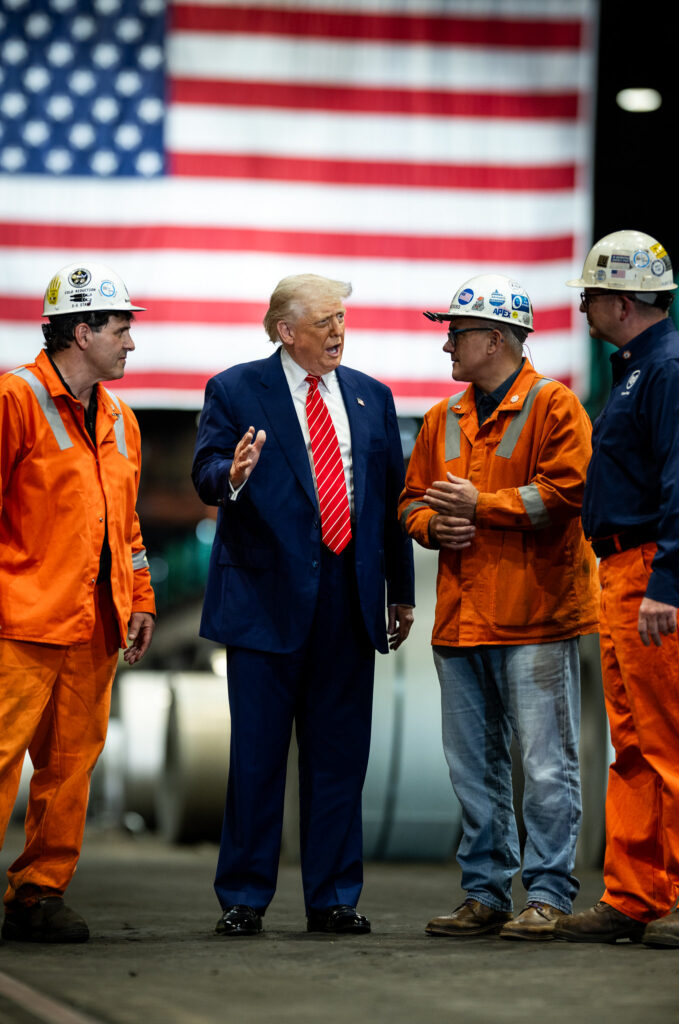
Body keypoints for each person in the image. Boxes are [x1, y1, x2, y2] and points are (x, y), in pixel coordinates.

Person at [192, 273, 415, 936]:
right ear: (285, 330)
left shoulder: (372, 399)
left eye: (341, 320)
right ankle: (243, 896)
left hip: (348, 604)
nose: (337, 333)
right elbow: (205, 472)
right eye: (323, 322)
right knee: (257, 759)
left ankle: (333, 897)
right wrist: (230, 475)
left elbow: (389, 506)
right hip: (263, 604)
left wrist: (398, 589)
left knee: (339, 760)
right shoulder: (235, 389)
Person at [399, 274, 599, 940]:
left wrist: (480, 509)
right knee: (472, 767)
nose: (447, 346)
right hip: (461, 619)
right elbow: (411, 502)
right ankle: (483, 892)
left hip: (534, 615)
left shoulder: (555, 407)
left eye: (456, 334)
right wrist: (433, 527)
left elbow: (565, 495)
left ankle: (546, 895)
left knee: (546, 765)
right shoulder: (440, 419)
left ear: (494, 338)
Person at [0, 261, 156, 943]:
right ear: (80, 330)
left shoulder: (122, 420)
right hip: (19, 621)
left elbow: (126, 528)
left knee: (70, 768)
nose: (130, 343)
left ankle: (38, 893)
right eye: (120, 330)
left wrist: (141, 596)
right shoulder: (15, 399)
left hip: (96, 625)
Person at [555, 229, 679, 948]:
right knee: (632, 745)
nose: (583, 308)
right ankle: (633, 896)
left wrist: (669, 579)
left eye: (591, 295)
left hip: (650, 578)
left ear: (622, 300)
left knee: (670, 742)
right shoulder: (637, 368)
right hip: (621, 574)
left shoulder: (666, 370)